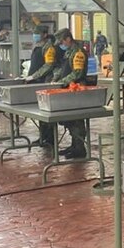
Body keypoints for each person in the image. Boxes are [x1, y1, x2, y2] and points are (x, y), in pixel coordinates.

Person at [50, 29, 88, 159]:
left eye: (62, 41)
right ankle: (74, 146)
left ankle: (80, 148)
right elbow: (63, 68)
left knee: (77, 120)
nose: (61, 44)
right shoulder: (69, 52)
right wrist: (56, 78)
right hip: (68, 89)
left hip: (77, 89)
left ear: (68, 38)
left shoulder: (78, 53)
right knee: (70, 120)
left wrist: (61, 81)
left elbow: (77, 73)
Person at [24, 27, 59, 147]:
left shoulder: (49, 47)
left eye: (37, 34)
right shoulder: (38, 46)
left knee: (46, 111)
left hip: (45, 81)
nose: (35, 36)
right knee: (40, 111)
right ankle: (43, 136)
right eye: (34, 33)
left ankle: (50, 139)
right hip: (36, 81)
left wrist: (34, 76)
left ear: (45, 34)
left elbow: (49, 65)